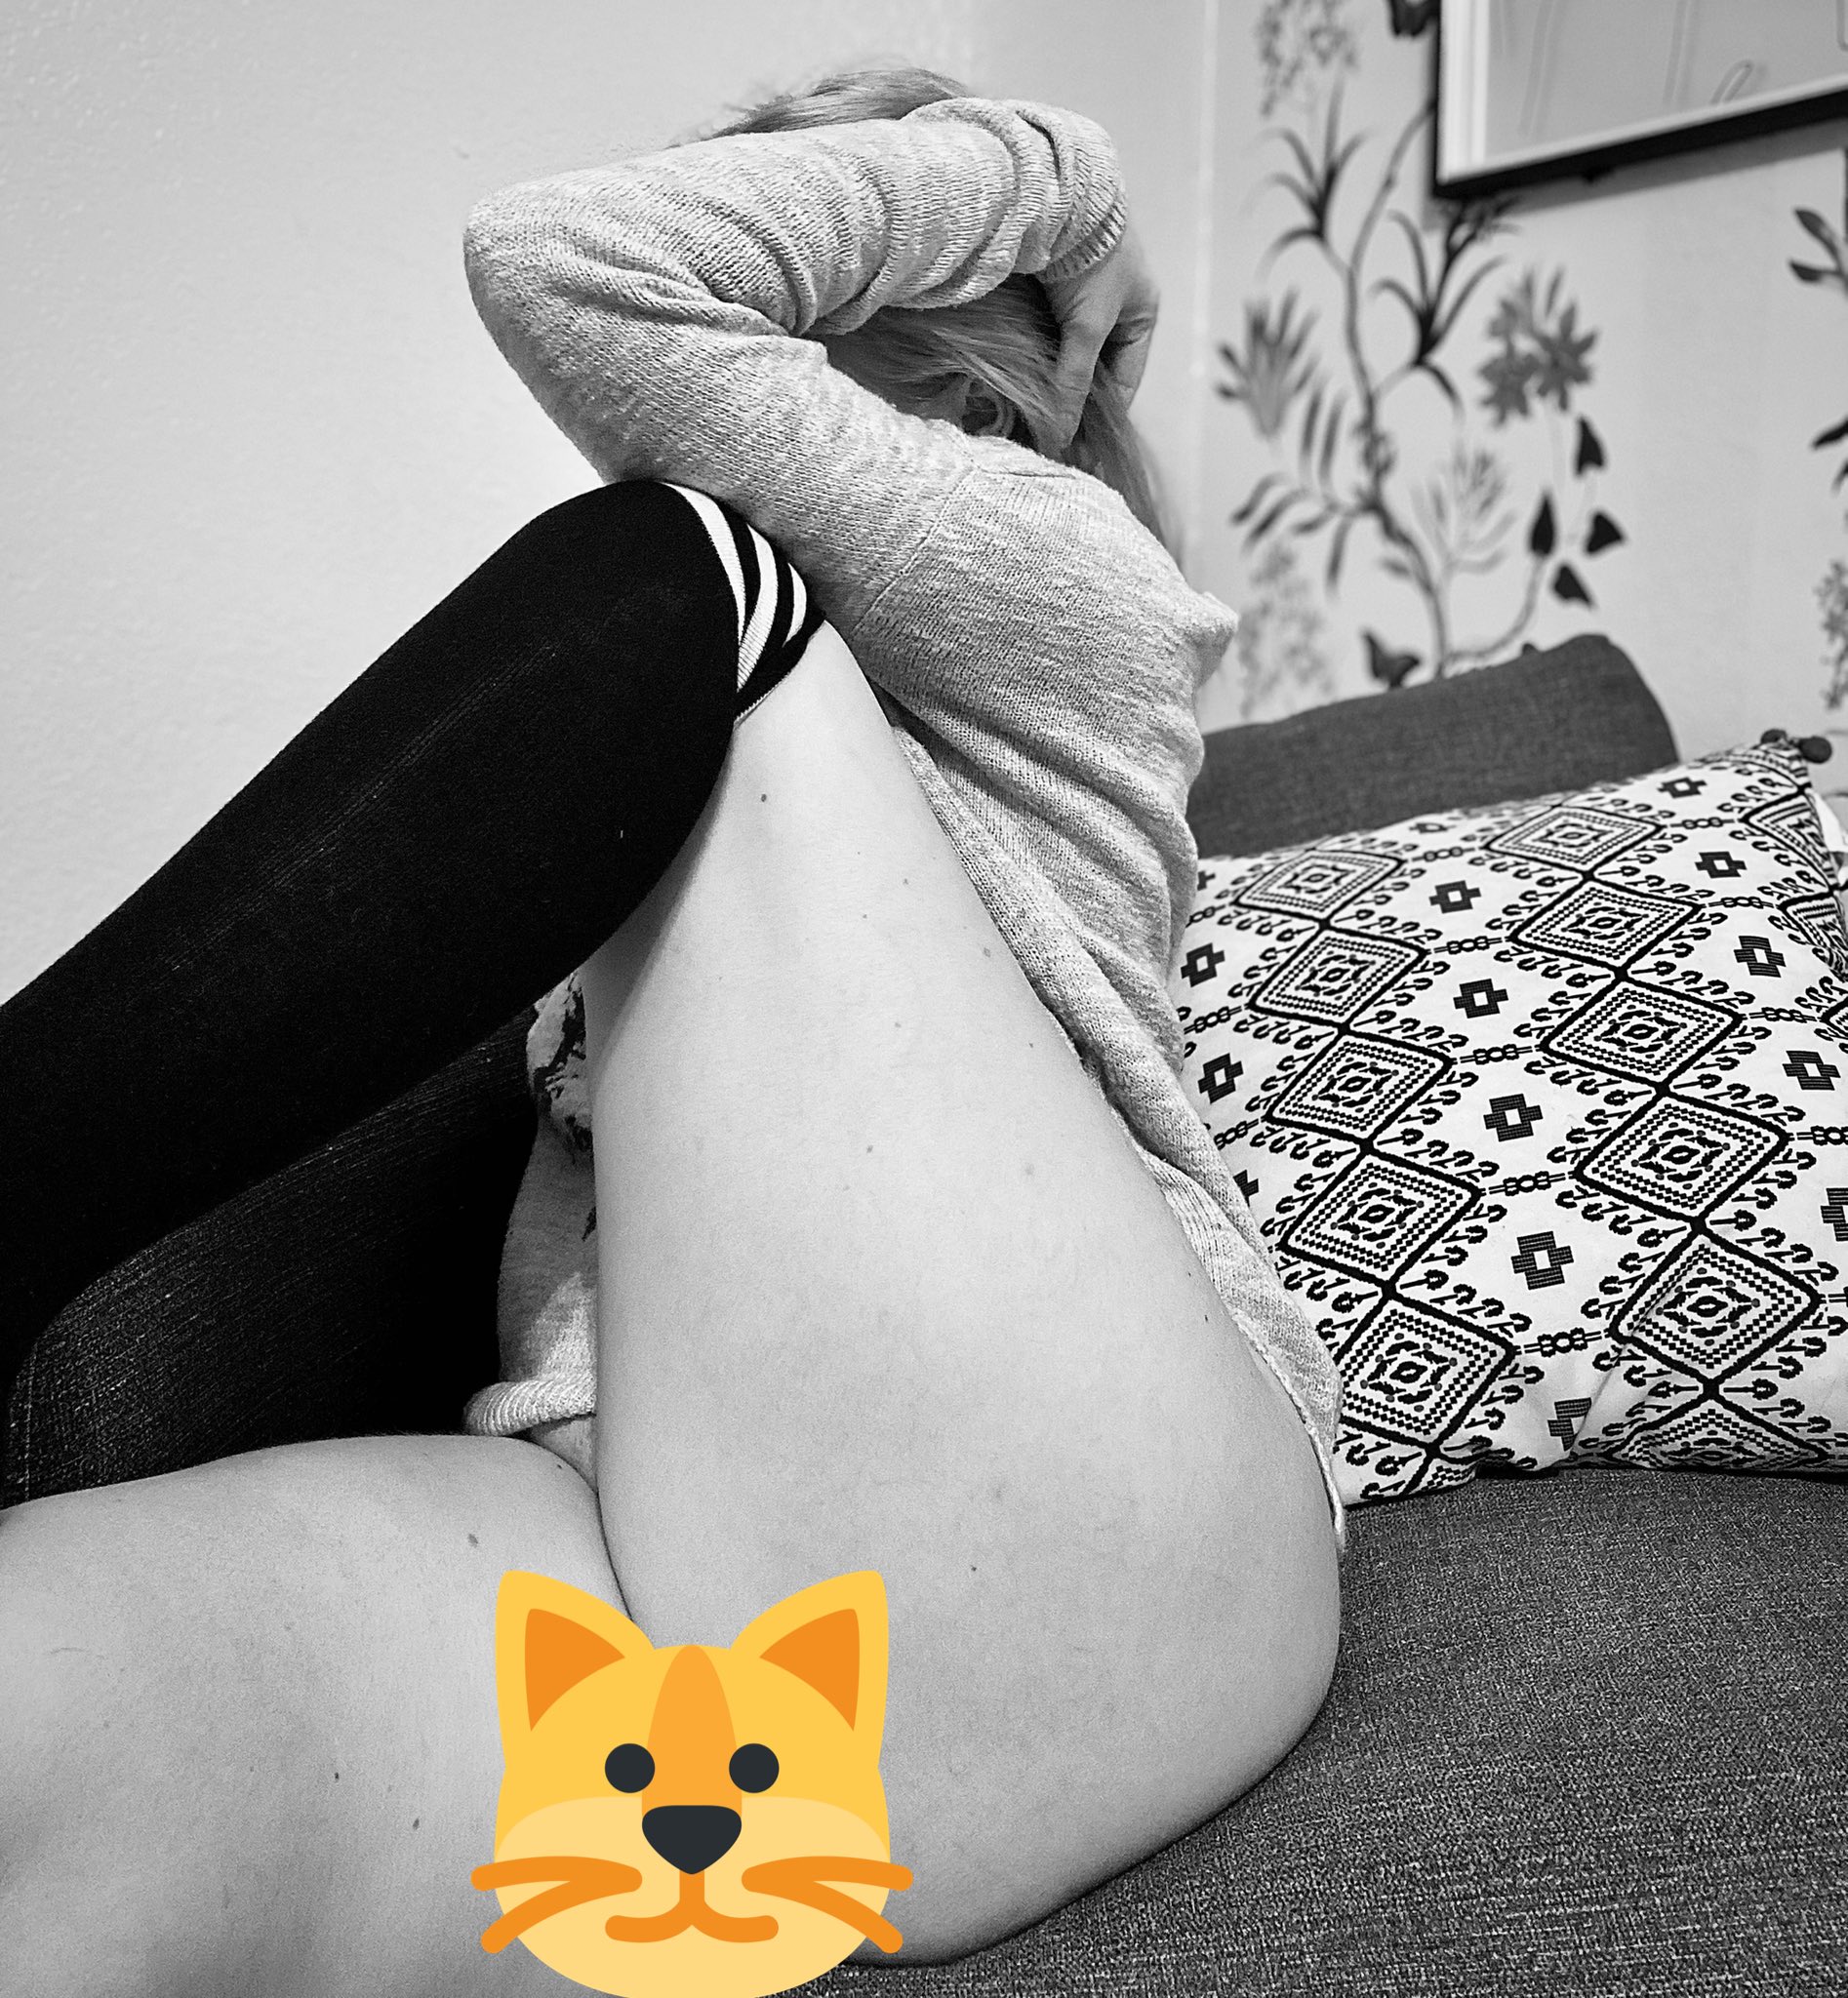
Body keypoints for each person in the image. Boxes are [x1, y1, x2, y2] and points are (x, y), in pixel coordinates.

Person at [0, 62, 1343, 1990]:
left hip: (1094, 1552)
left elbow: (566, 265)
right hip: (664, 1596)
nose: (690, 413)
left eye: (777, 329)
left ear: (971, 411)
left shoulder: (1061, 599)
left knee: (677, 581)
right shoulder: (681, 813)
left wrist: (1058, 188)